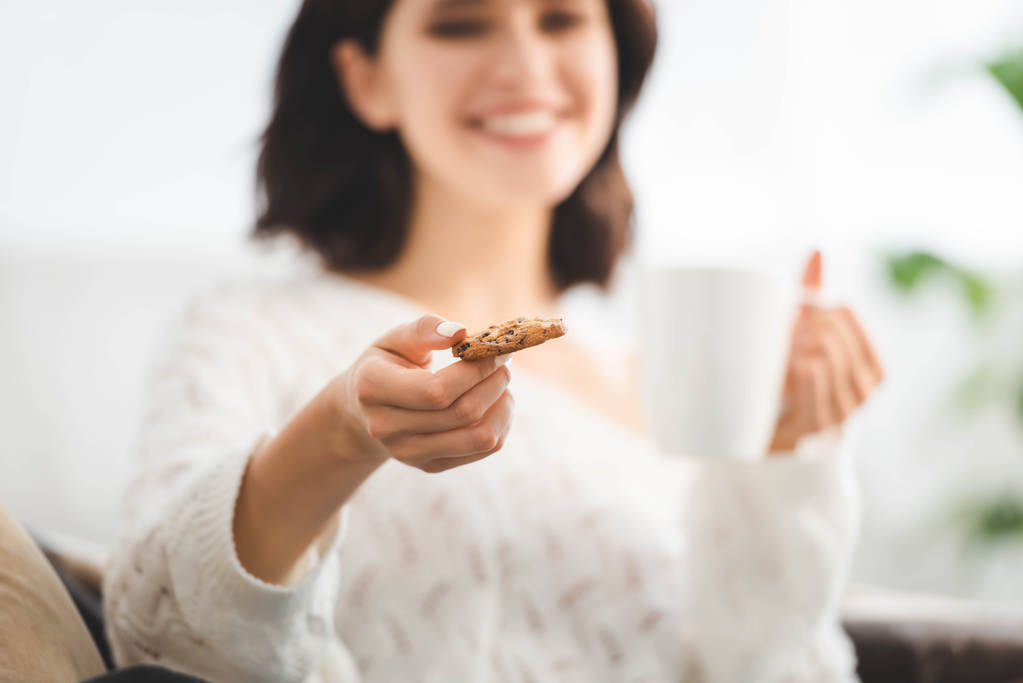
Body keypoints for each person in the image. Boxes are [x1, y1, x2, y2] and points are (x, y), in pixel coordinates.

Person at [102, 0, 885, 681]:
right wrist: (340, 434)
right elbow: (164, 636)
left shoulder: (664, 383)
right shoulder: (251, 333)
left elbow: (769, 668)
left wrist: (780, 460)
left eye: (562, 18)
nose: (523, 64)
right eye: (459, 23)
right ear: (364, 78)